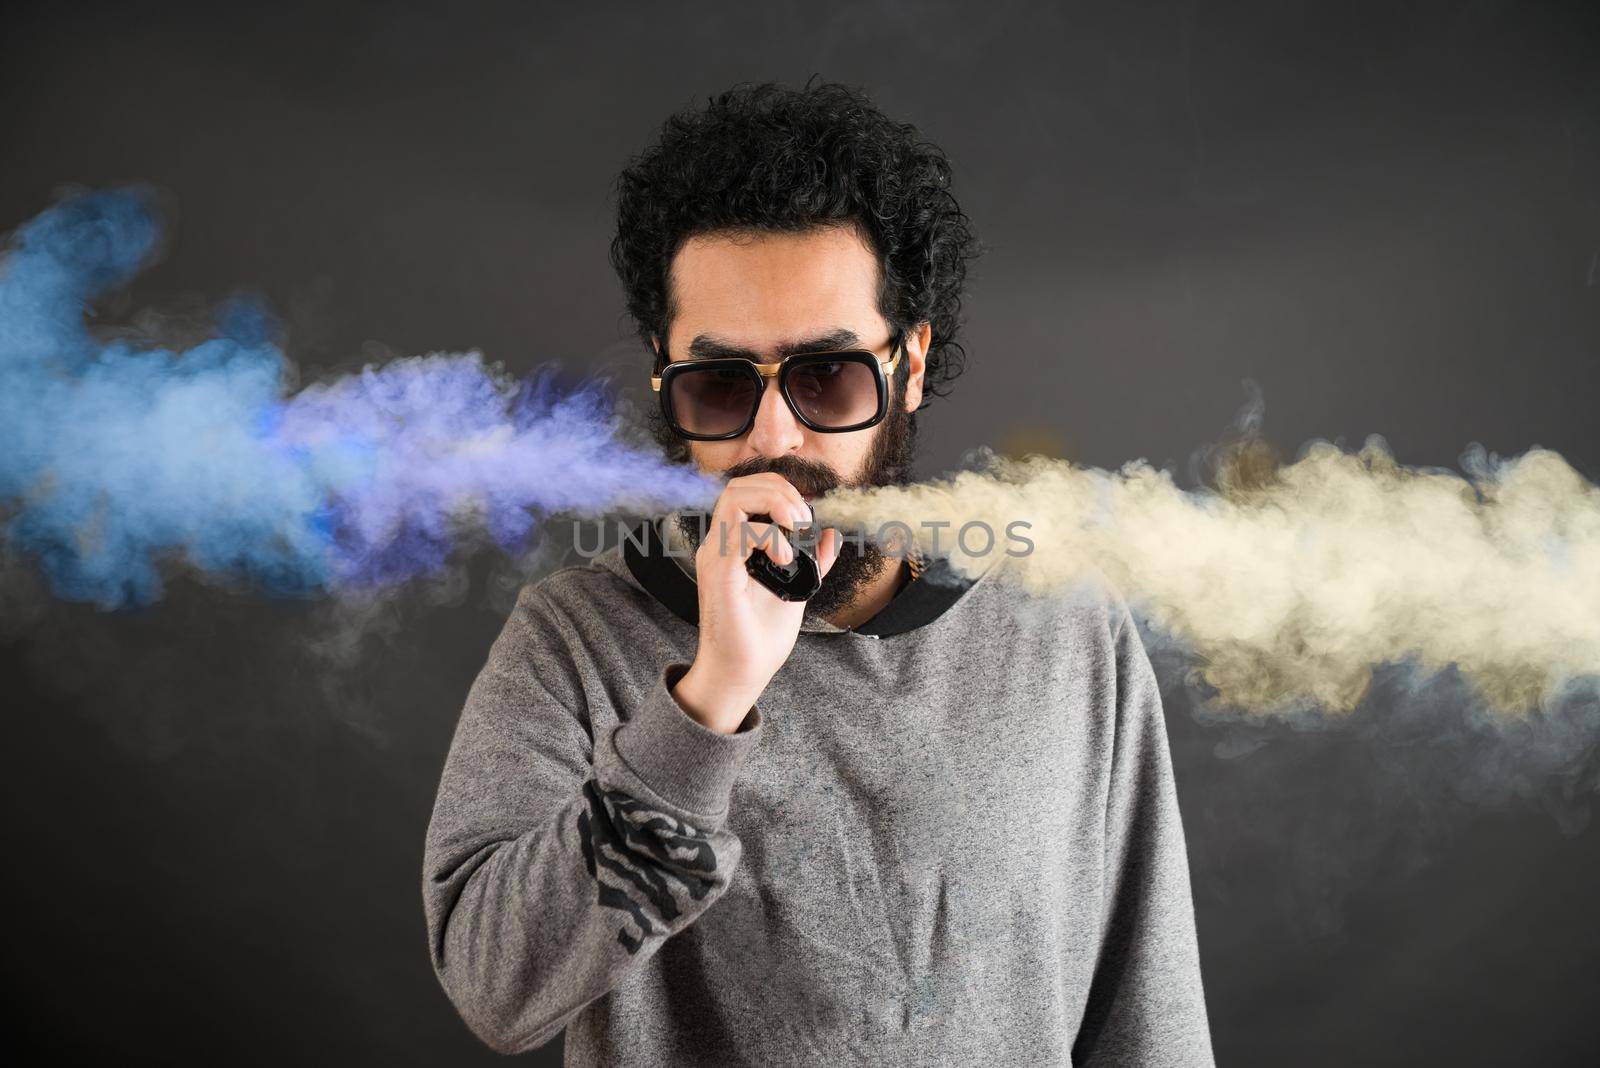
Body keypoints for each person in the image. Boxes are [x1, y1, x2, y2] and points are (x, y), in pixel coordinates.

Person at [422, 79, 1216, 1066]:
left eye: (826, 377)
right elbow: (498, 994)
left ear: (910, 365)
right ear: (666, 380)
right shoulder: (573, 641)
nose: (773, 437)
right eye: (719, 385)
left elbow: (1149, 1025)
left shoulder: (1066, 631)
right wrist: (706, 704)